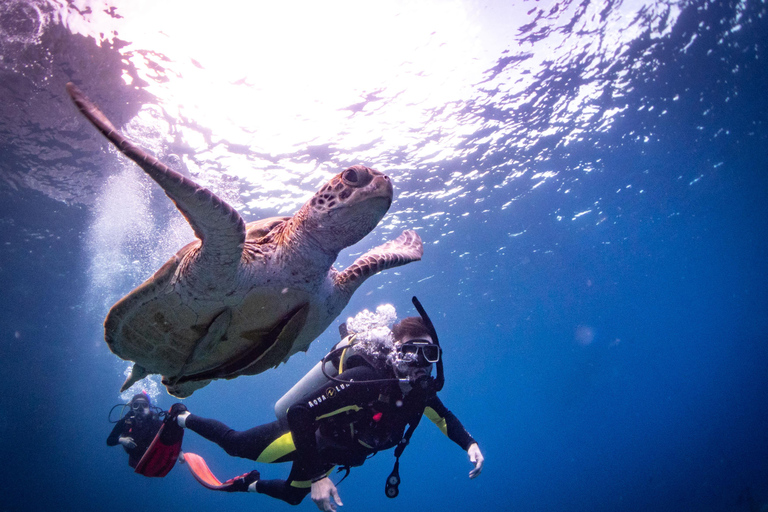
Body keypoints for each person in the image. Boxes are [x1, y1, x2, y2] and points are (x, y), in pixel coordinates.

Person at [171, 300, 485, 511]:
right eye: (416, 353)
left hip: (335, 450)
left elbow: (443, 417)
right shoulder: (366, 378)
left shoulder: (419, 392)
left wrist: (469, 444)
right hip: (306, 434)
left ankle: (249, 484)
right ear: (397, 352)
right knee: (235, 444)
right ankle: (181, 416)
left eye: (431, 355)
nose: (424, 365)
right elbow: (300, 412)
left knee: (294, 497)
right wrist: (319, 476)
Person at [107, 392, 163, 469]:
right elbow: (109, 440)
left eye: (144, 405)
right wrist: (121, 440)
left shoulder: (155, 421)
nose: (140, 408)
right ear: (132, 407)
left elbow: (168, 436)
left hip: (153, 455)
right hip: (134, 456)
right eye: (136, 405)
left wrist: (179, 452)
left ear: (149, 407)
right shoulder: (125, 421)